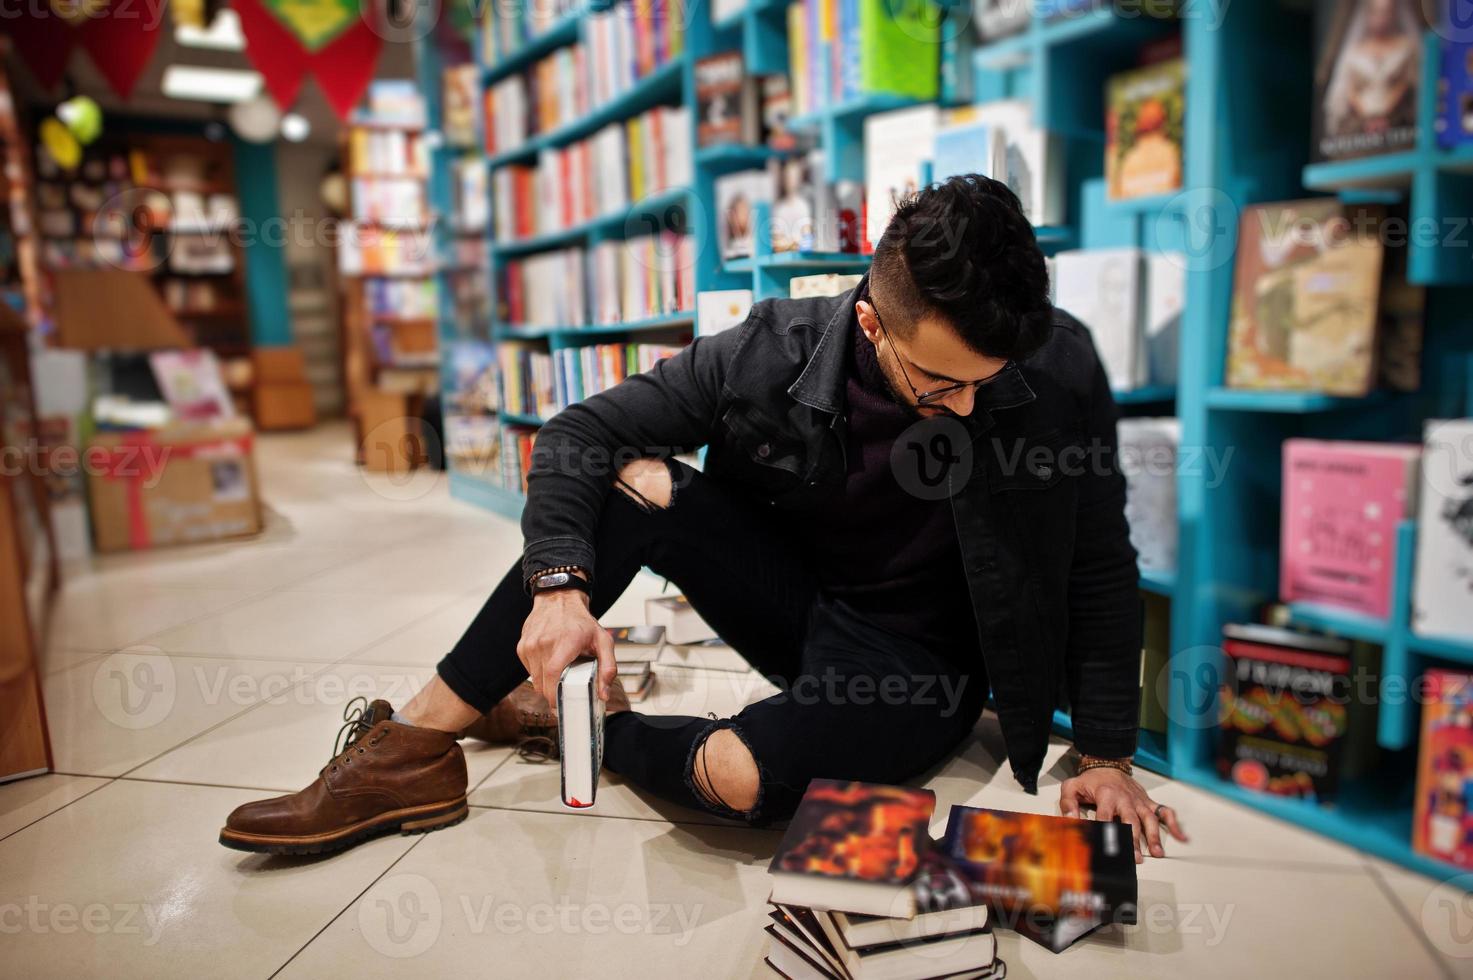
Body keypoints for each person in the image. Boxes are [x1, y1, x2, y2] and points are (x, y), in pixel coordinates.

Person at [219, 175, 1188, 864]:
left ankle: (584, 724)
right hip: (799, 605)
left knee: (735, 779)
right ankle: (416, 749)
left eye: (989, 383)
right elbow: (572, 432)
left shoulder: (1059, 366)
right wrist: (559, 587)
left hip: (919, 668)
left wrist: (1105, 750)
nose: (970, 407)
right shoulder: (771, 348)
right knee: (630, 473)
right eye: (941, 383)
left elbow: (1100, 560)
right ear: (867, 322)